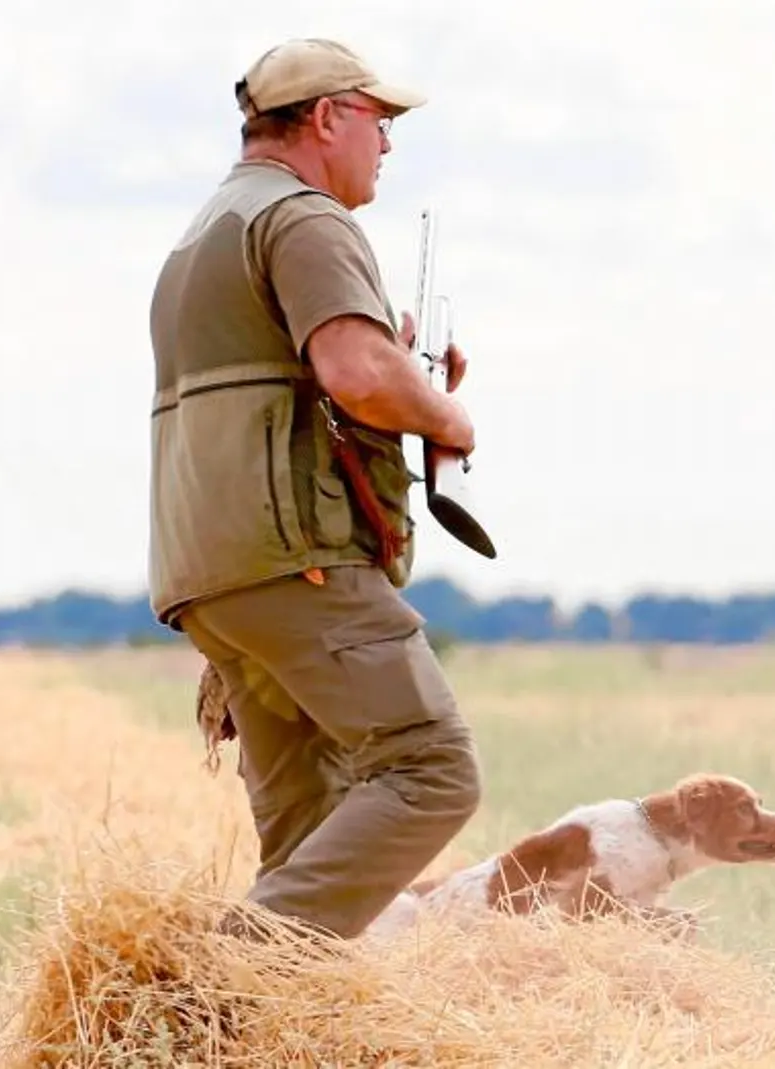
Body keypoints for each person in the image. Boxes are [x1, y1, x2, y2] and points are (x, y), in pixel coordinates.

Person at [146, 37, 483, 941]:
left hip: (217, 578)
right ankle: (204, 988)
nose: (388, 144)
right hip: (298, 559)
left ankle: (261, 1027)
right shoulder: (305, 220)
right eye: (379, 120)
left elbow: (312, 374)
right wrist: (446, 416)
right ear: (328, 117)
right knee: (432, 768)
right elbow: (359, 374)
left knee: (308, 836)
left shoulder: (205, 233)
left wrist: (385, 354)